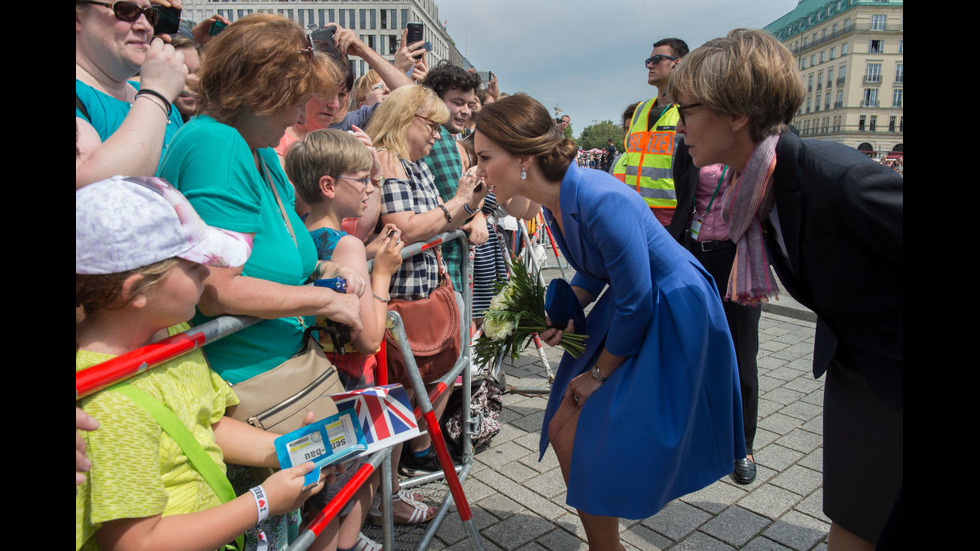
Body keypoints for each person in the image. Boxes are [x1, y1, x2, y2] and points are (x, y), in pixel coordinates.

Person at [473, 94, 744, 550]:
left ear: (523, 157)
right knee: (565, 430)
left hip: (670, 308)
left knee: (583, 428)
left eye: (484, 157)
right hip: (635, 302)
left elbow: (637, 298)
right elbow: (596, 272)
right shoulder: (557, 198)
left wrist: (598, 374)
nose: (479, 170)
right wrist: (560, 311)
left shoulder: (597, 197)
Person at [668, 28, 903, 550]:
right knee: (854, 520)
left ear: (736, 114)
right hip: (857, 369)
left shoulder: (835, 177)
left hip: (889, 373)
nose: (677, 122)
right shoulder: (754, 183)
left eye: (685, 109)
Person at [156, 14, 364, 549]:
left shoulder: (258, 151)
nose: (302, 112)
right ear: (259, 90)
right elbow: (218, 286)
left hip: (284, 371)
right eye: (296, 97)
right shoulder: (218, 145)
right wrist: (323, 296)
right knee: (304, 522)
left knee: (333, 506)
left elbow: (283, 254)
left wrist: (328, 267)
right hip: (250, 380)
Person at [76, 176, 327, 551]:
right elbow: (136, 543)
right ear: (136, 291)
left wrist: (283, 449)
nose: (208, 274)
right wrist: (262, 502)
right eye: (194, 267)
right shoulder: (107, 404)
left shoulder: (172, 335)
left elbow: (203, 423)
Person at [285, 129, 408, 550]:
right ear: (328, 186)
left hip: (305, 375)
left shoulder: (296, 237)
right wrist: (384, 271)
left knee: (317, 492)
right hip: (347, 381)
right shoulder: (347, 244)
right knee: (354, 482)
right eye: (363, 180)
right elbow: (370, 338)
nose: (371, 188)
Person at [366, 85, 489, 478]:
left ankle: (396, 486)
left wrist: (470, 204)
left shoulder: (414, 163)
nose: (437, 136)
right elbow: (406, 228)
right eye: (431, 126)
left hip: (420, 297)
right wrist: (460, 203)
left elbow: (442, 221)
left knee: (419, 390)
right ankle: (389, 493)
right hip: (396, 303)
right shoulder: (387, 160)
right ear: (404, 120)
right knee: (398, 397)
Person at [668, 157, 762, 484]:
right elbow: (681, 196)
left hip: (739, 257)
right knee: (692, 349)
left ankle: (743, 446)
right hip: (694, 253)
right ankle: (695, 437)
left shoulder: (755, 145)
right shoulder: (694, 145)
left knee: (742, 355)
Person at [75, 0, 188, 188]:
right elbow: (95, 191)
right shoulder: (156, 96)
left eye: (150, 15)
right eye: (126, 11)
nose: (145, 26)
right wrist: (156, 94)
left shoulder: (156, 99)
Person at [421, 63, 488, 295]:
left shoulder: (441, 137)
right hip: (443, 274)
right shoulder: (441, 140)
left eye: (469, 105)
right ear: (434, 100)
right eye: (457, 103)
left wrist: (476, 211)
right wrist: (475, 212)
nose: (466, 111)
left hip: (440, 269)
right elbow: (459, 207)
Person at [614, 38, 688, 227]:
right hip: (635, 211)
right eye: (648, 61)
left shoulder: (687, 109)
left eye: (657, 60)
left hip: (672, 215)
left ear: (677, 64)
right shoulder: (640, 109)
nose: (649, 66)